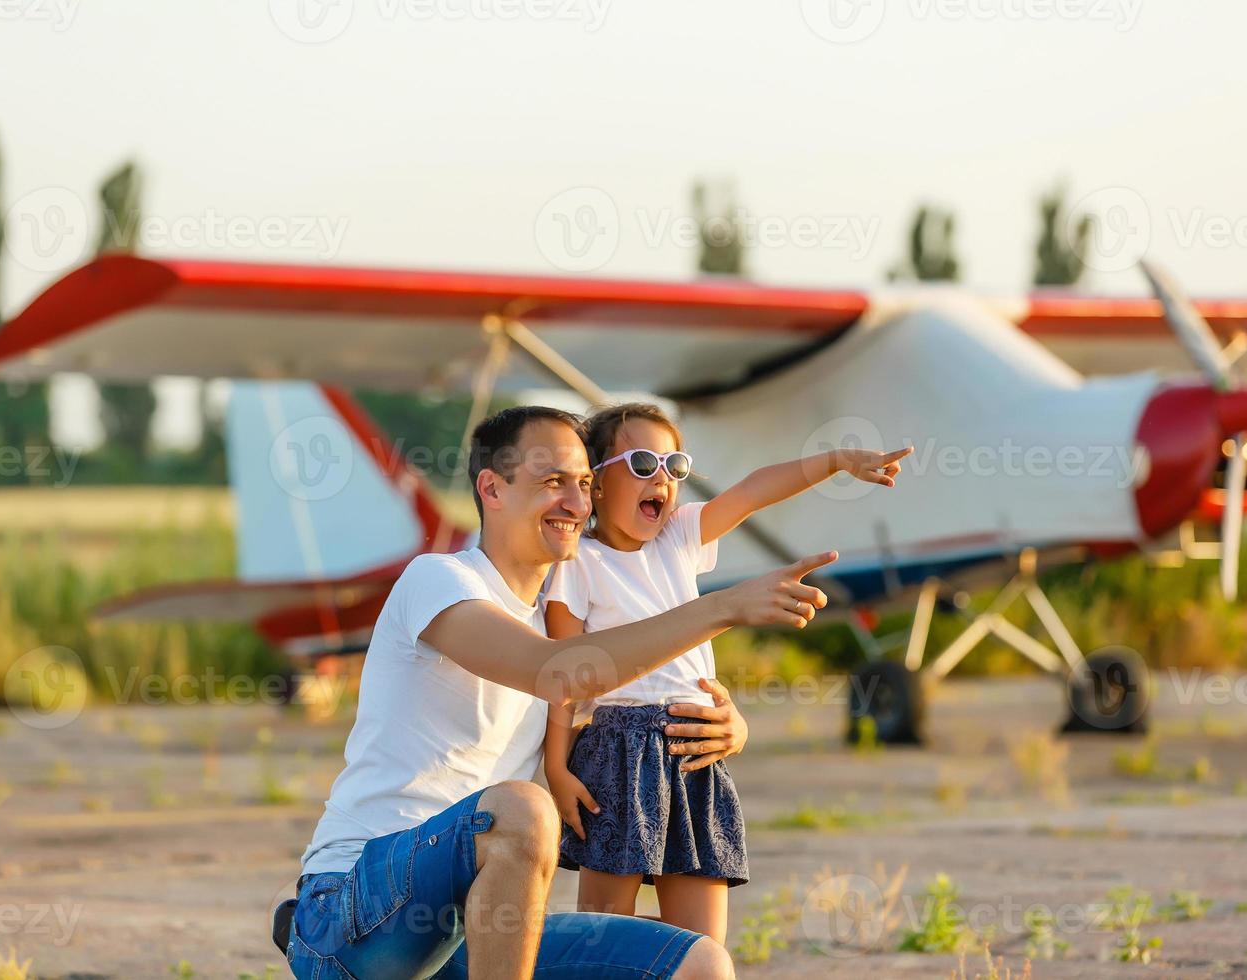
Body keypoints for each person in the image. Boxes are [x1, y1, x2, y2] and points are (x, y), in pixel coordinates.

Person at [284, 405, 838, 980]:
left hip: (478, 936)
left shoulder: (569, 621)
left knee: (701, 964)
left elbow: (614, 701)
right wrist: (723, 606)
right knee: (520, 809)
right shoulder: (440, 580)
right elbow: (558, 672)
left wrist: (724, 722)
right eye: (553, 483)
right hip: (353, 918)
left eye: (584, 484)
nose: (576, 503)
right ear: (492, 489)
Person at [543, 403, 911, 943]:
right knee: (605, 938)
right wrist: (557, 767)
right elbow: (561, 677)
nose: (662, 479)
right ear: (595, 483)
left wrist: (833, 461)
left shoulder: (679, 538)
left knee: (702, 948)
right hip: (616, 751)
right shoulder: (577, 563)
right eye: (643, 463)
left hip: (697, 744)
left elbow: (751, 491)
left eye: (675, 466)